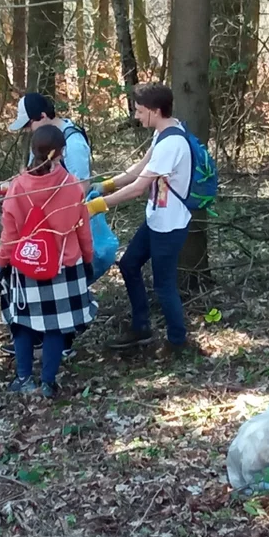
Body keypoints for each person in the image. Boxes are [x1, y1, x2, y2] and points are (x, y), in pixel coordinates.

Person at [86, 84, 192, 351]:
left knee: (164, 285)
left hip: (170, 225)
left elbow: (138, 188)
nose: (136, 115)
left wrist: (96, 206)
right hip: (156, 219)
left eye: (140, 111)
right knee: (129, 265)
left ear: (156, 111)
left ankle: (177, 342)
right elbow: (138, 170)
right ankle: (141, 327)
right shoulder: (163, 134)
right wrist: (105, 185)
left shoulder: (173, 142)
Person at [0, 125, 97, 398]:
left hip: (26, 265)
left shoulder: (17, 188)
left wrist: (0, 264)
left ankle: (23, 378)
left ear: (33, 151)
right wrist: (88, 259)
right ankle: (48, 382)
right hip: (64, 266)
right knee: (57, 326)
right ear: (61, 153)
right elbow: (83, 229)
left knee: (23, 323)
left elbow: (10, 235)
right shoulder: (72, 185)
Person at [3, 93, 92, 360]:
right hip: (39, 240)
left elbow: (81, 190)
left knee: (60, 298)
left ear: (42, 117)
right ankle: (41, 340)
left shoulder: (72, 144)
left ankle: (59, 342)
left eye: (30, 124)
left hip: (62, 239)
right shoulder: (41, 145)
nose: (29, 131)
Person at [8, 92, 92, 191]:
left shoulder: (73, 143)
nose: (27, 130)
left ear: (43, 116)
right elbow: (32, 175)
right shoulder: (40, 139)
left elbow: (82, 188)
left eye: (28, 125)